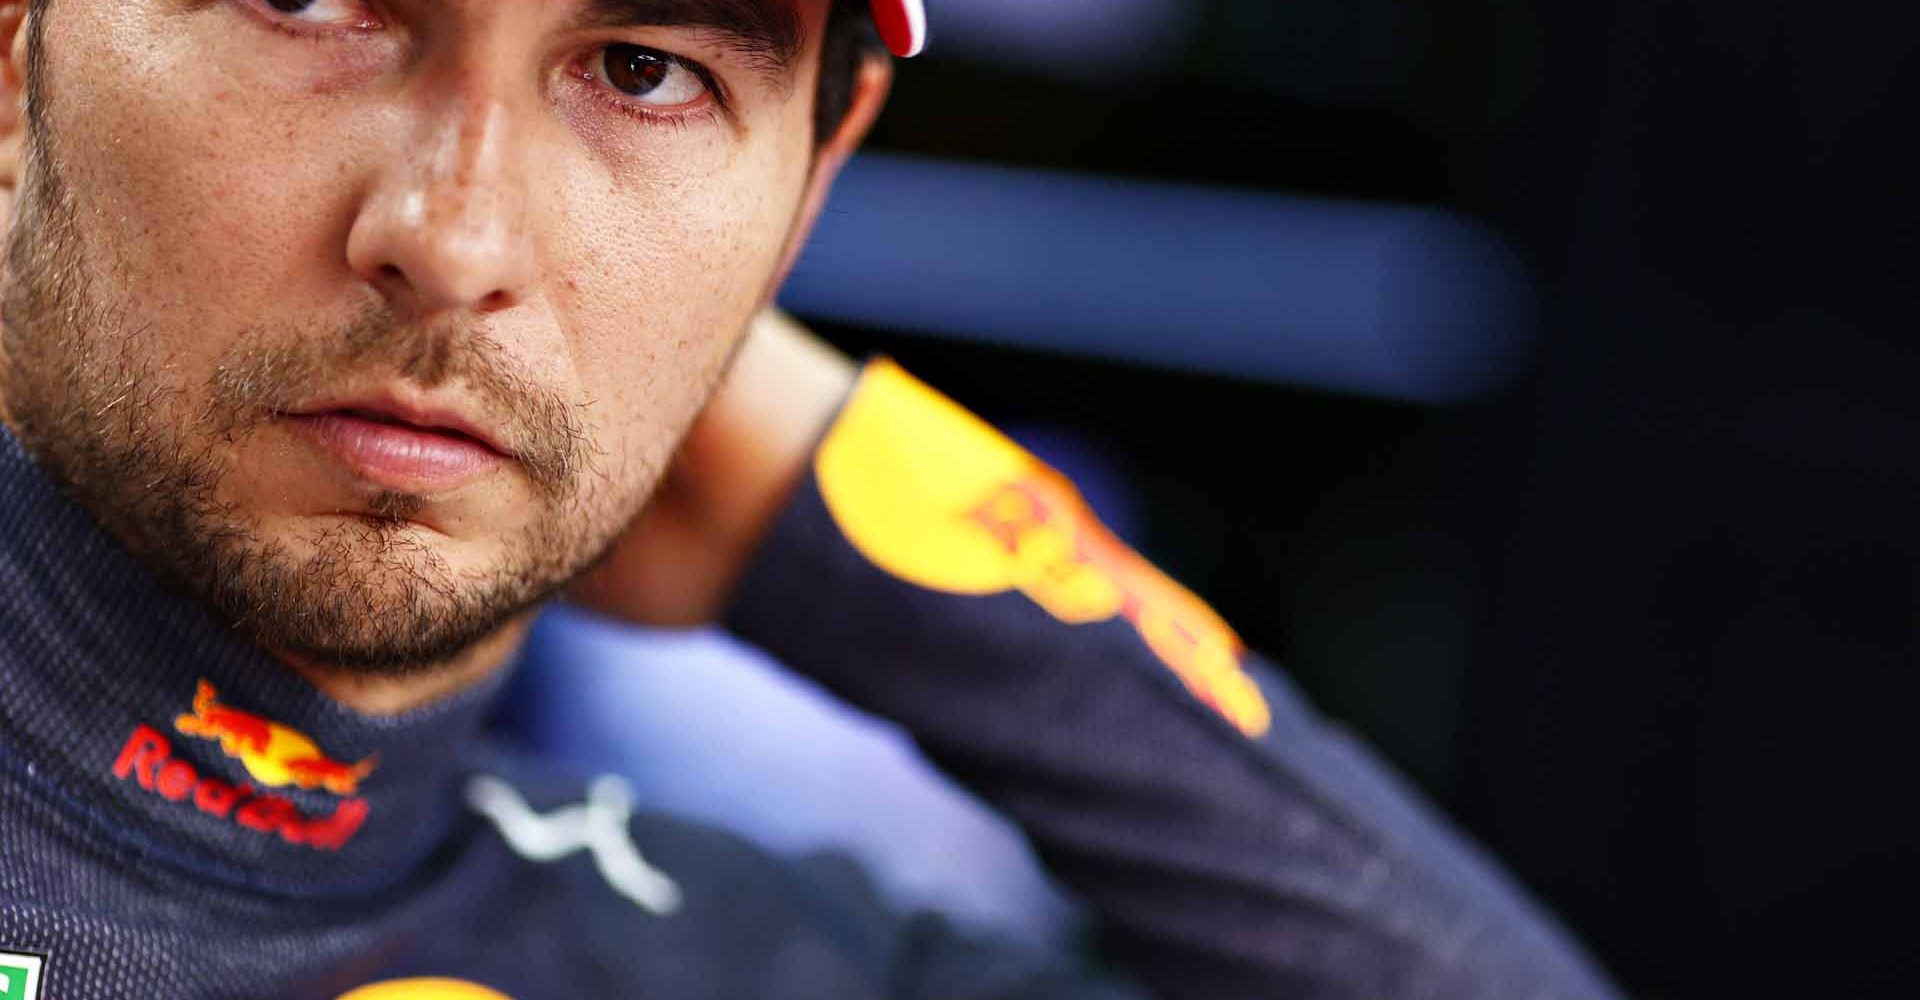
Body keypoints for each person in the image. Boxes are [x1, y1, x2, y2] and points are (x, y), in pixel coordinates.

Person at [0, 1, 1621, 998]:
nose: (457, 239)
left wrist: (843, 496)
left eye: (645, 70)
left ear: (813, 179)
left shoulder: (761, 966)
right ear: (19, 53)